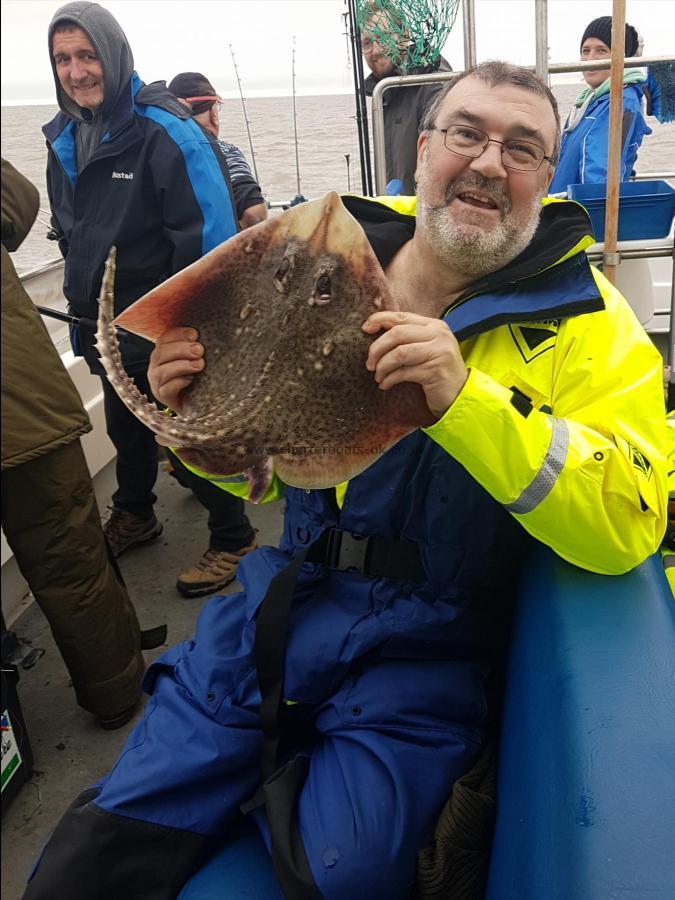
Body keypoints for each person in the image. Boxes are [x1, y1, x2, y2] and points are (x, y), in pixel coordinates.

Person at [23, 62, 667, 900]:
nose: (485, 162)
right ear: (425, 145)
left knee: (342, 873)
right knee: (98, 852)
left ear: (547, 180)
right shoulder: (316, 248)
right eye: (465, 133)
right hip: (278, 600)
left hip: (429, 643)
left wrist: (466, 403)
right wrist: (194, 415)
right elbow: (262, 472)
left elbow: (630, 520)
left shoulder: (587, 323)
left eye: (522, 148)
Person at [43, 2, 257, 597]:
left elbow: (210, 240)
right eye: (63, 58)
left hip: (166, 326)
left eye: (87, 55)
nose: (76, 71)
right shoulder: (65, 135)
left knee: (184, 431)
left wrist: (194, 333)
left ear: (112, 55)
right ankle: (136, 512)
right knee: (123, 424)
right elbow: (73, 230)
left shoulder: (168, 131)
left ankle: (234, 536)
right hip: (102, 323)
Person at [1, 158, 146, 730]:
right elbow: (18, 200)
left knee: (70, 557)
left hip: (22, 407)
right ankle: (114, 692)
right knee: (70, 560)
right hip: (24, 407)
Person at [549, 15, 651, 193]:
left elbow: (598, 172)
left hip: (580, 215)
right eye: (585, 50)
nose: (591, 59)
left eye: (601, 50)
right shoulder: (589, 100)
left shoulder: (620, 99)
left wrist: (588, 215)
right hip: (562, 208)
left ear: (622, 57)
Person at [360, 0, 452, 194]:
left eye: (384, 37)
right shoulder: (386, 92)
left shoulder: (433, 84)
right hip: (400, 214)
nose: (375, 51)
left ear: (404, 36)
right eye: (367, 42)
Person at [168, 72, 268, 231]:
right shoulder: (226, 152)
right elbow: (255, 216)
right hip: (212, 254)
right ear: (213, 113)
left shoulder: (154, 152)